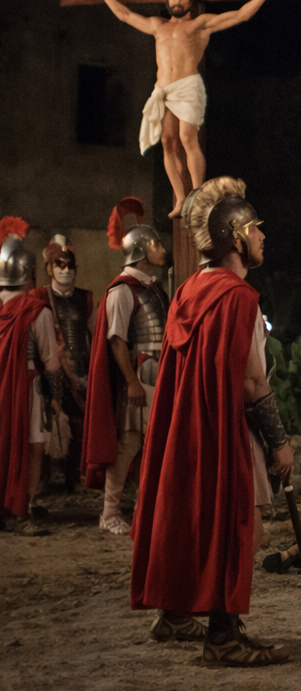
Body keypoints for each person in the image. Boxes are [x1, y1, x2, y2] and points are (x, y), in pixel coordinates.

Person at [130, 177, 295, 666]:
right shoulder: (239, 297)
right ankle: (223, 637)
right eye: (255, 228)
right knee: (239, 526)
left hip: (186, 427)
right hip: (223, 428)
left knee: (191, 518)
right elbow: (251, 381)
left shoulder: (189, 290)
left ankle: (175, 613)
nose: (262, 236)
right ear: (236, 237)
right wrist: (279, 442)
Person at [87, 0, 286, 216]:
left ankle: (198, 195)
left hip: (188, 86)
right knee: (167, 142)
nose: (178, 1)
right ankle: (181, 198)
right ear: (167, 0)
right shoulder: (158, 25)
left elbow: (240, 15)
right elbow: (126, 15)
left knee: (187, 137)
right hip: (163, 89)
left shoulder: (199, 24)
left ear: (190, 1)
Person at [81, 198, 169, 535]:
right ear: (142, 250)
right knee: (129, 442)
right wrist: (132, 381)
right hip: (142, 372)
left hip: (159, 370)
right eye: (157, 244)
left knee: (154, 444)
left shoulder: (153, 288)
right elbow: (116, 340)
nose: (163, 250)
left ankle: (149, 509)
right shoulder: (121, 290)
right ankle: (110, 512)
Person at [0, 218, 61, 536]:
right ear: (30, 273)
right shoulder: (37, 311)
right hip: (27, 388)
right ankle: (22, 511)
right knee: (33, 447)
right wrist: (57, 399)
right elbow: (51, 364)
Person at [39, 233, 93, 493]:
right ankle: (43, 479)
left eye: (70, 265)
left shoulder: (85, 298)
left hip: (80, 368)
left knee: (79, 426)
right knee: (45, 425)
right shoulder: (40, 297)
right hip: (48, 371)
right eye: (59, 264)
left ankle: (73, 477)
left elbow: (92, 334)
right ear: (49, 268)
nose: (66, 269)